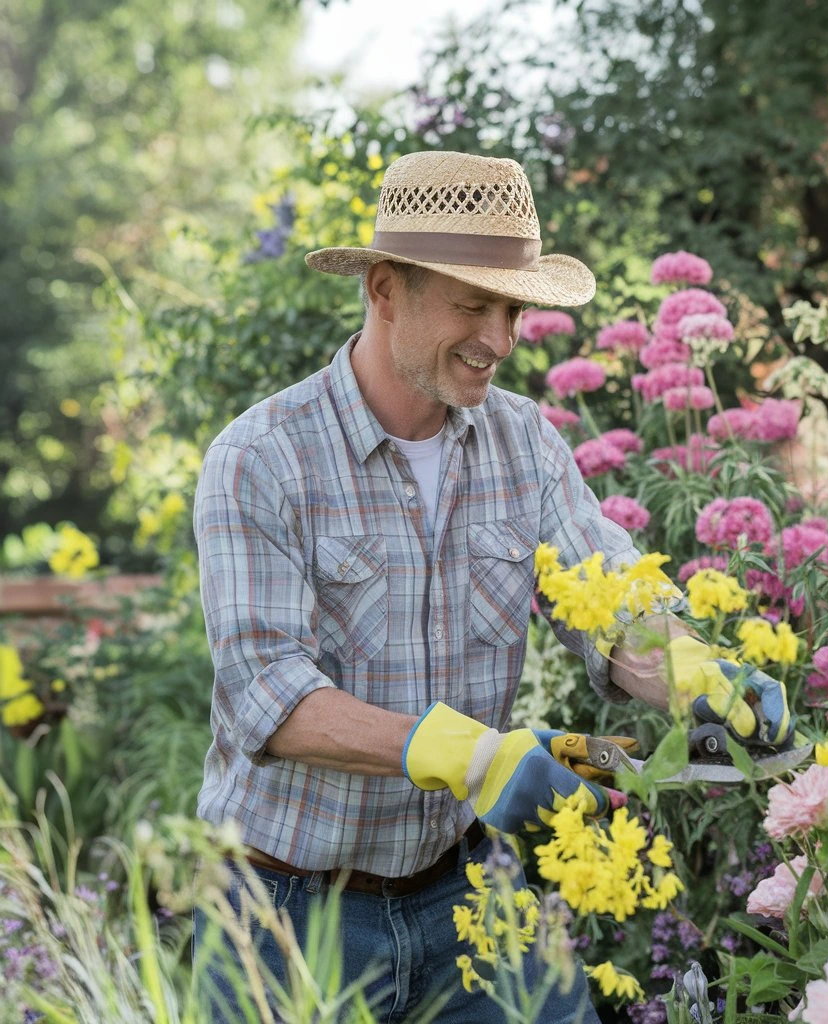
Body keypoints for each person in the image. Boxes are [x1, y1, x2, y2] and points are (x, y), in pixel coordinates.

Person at [189, 150, 786, 1023]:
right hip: (284, 918)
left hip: (466, 890)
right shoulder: (262, 457)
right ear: (386, 288)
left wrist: (695, 671)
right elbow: (269, 699)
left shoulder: (522, 442)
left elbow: (609, 594)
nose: (501, 340)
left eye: (512, 308)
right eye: (473, 304)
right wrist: (473, 756)